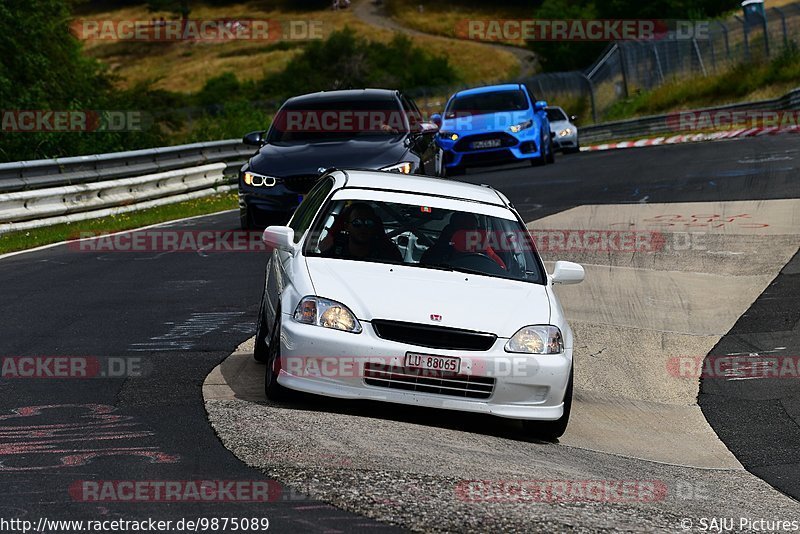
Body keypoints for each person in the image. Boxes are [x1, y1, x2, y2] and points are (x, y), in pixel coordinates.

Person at [421, 212, 506, 269]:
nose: (468, 233)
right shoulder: (436, 254)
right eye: (463, 229)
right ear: (452, 231)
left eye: (472, 229)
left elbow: (502, 271)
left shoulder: (485, 251)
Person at [320, 203, 402, 262]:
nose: (363, 228)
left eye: (368, 223)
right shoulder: (333, 247)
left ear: (375, 226)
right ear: (346, 226)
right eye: (357, 223)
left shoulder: (388, 254)